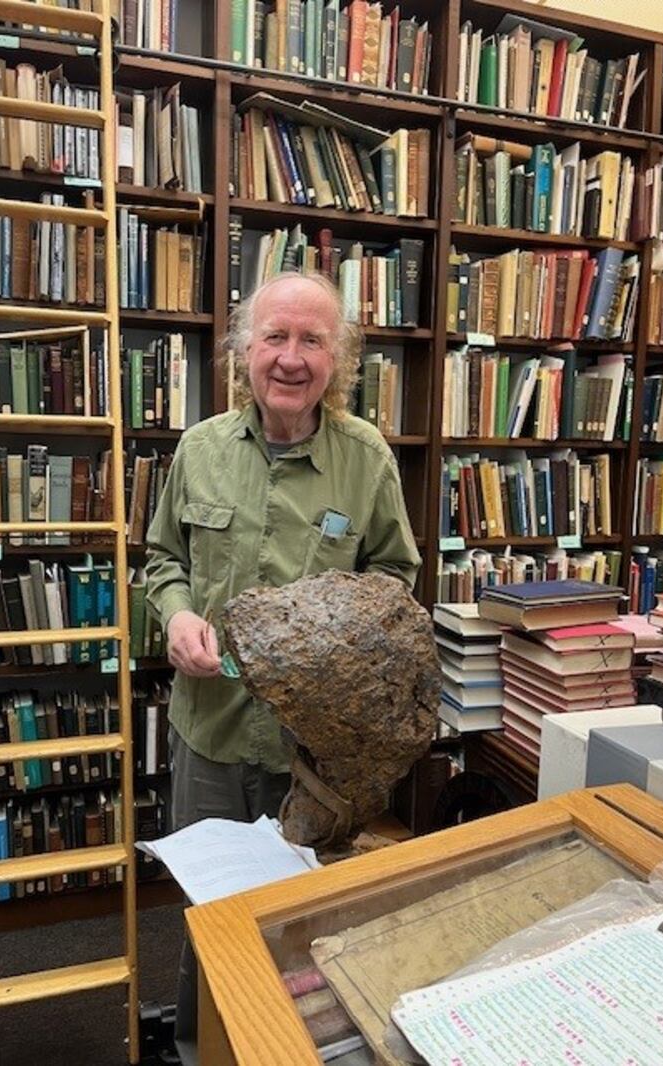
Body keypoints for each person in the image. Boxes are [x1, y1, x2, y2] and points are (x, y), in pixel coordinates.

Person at [145, 271, 420, 1061]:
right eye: (275, 337)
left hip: (317, 752)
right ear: (243, 350)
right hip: (211, 736)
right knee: (212, 916)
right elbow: (162, 561)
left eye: (312, 340)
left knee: (307, 926)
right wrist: (179, 615)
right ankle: (204, 1048)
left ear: (340, 359)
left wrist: (339, 639)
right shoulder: (199, 450)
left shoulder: (366, 459)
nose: (291, 359)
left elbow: (396, 581)